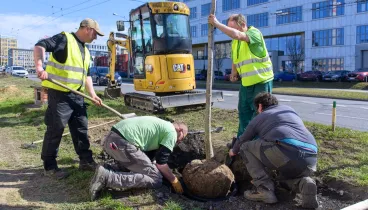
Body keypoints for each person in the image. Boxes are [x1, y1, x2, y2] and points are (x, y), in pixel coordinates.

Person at [33, 18, 104, 179]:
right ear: (87, 29)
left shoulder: (85, 51)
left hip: (78, 95)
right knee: (55, 129)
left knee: (81, 128)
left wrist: (93, 95)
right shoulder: (65, 39)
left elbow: (86, 76)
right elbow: (40, 45)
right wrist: (39, 66)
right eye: (95, 34)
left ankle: (85, 161)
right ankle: (50, 166)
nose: (96, 38)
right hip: (59, 95)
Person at [229, 92, 319, 209]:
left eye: (257, 109)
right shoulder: (288, 110)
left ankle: (264, 189)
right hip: (310, 156)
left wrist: (233, 151)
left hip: (285, 150)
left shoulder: (260, 117)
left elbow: (243, 140)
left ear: (260, 106)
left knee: (245, 147)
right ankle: (303, 183)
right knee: (281, 180)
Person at [89, 116, 188, 201]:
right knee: (156, 179)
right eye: (182, 138)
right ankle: (107, 178)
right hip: (123, 143)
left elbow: (149, 156)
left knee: (137, 167)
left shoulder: (162, 125)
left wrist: (152, 164)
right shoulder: (172, 133)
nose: (179, 142)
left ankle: (106, 169)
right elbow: (161, 163)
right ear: (180, 130)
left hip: (112, 139)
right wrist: (173, 180)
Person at [208, 14, 273, 140]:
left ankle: (256, 142)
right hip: (246, 82)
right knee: (243, 112)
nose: (230, 31)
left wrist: (216, 24)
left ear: (243, 25)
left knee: (260, 112)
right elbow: (235, 59)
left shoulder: (254, 33)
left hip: (262, 80)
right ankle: (242, 140)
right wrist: (234, 73)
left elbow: (236, 34)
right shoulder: (235, 42)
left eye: (232, 28)